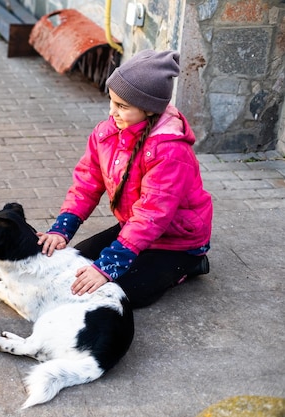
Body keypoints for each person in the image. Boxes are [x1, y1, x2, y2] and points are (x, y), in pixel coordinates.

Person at [37, 49, 213, 308]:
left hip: (175, 240)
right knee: (77, 265)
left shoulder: (171, 150)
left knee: (117, 292)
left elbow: (152, 214)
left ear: (150, 109)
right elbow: (87, 184)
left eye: (122, 106)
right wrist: (63, 229)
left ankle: (191, 264)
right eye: (112, 101)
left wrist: (109, 266)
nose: (112, 112)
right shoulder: (107, 133)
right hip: (134, 226)